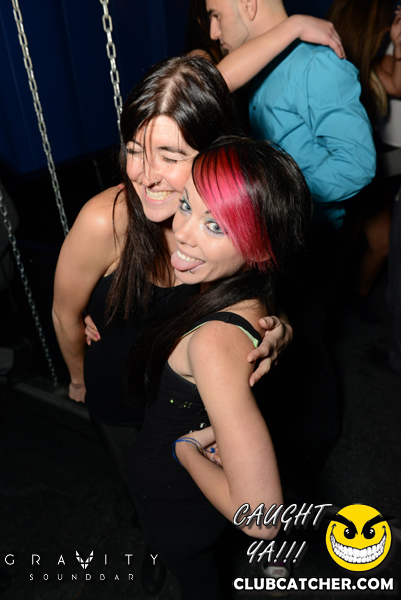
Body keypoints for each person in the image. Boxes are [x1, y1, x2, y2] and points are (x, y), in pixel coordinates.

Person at [126, 136, 312, 600]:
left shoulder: (213, 342)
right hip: (188, 497)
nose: (183, 233)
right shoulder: (253, 294)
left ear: (260, 249)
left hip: (176, 503)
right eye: (187, 206)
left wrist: (187, 448)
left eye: (215, 226)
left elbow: (263, 518)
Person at [204, 0, 377, 473]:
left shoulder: (316, 64)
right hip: (273, 239)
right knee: (277, 344)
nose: (213, 30)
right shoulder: (264, 61)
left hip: (310, 241)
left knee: (306, 345)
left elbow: (357, 165)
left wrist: (274, 194)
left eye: (216, 14)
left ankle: (314, 453)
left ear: (248, 4)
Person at [327, 0, 401, 311]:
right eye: (383, 30)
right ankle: (331, 313)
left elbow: (398, 85)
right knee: (338, 251)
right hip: (343, 173)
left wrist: (398, 43)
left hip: (370, 172)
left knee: (381, 245)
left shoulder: (372, 64)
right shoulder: (327, 64)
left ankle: (354, 305)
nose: (385, 34)